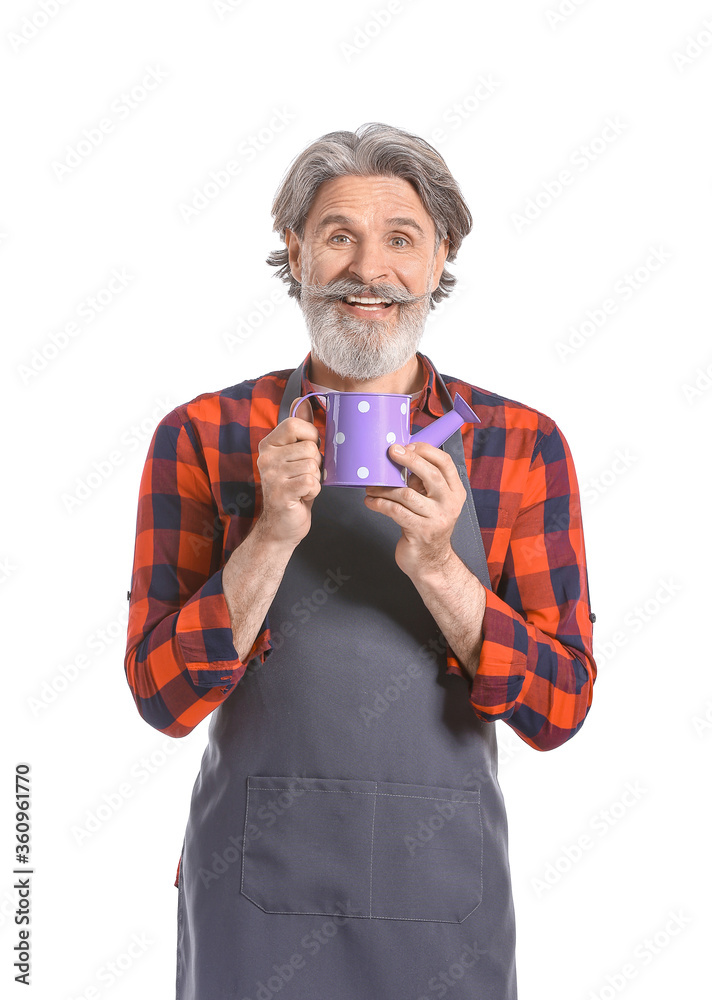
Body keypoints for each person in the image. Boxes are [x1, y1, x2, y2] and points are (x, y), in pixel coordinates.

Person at [124, 122, 596, 1000]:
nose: (367, 270)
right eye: (337, 235)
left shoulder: (521, 446)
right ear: (296, 251)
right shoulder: (203, 437)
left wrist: (442, 570)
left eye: (401, 239)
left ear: (439, 257)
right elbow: (162, 698)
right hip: (251, 898)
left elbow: (560, 709)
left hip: (443, 903)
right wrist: (269, 533)